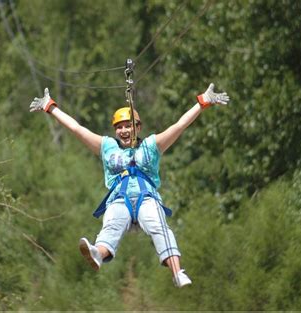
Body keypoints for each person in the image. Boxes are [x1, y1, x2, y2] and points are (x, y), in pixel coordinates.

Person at [29, 83, 229, 288]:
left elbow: (178, 126)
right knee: (111, 226)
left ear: (138, 127)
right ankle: (98, 253)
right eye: (119, 127)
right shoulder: (106, 147)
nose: (123, 130)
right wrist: (50, 107)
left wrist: (203, 102)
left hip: (147, 199)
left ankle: (177, 273)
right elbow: (76, 129)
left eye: (128, 125)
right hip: (119, 200)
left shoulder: (152, 146)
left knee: (159, 226)